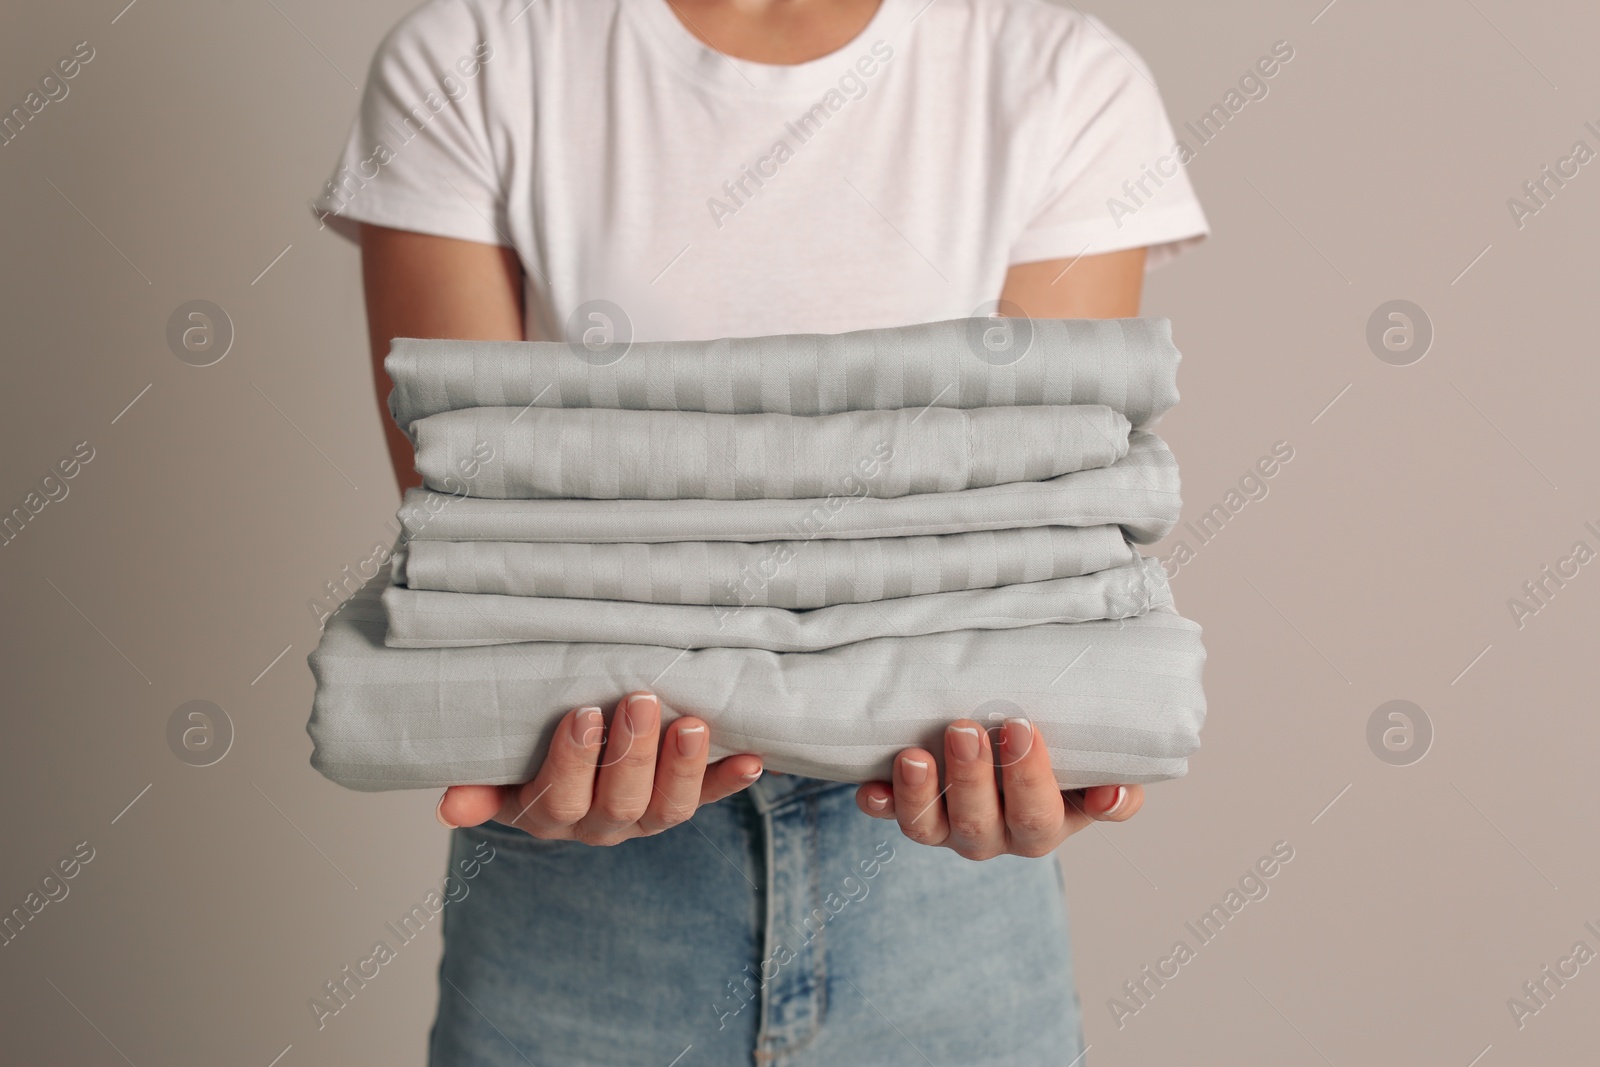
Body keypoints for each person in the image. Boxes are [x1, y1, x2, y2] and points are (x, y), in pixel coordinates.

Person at [312, 0, 1208, 1062]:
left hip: (944, 917)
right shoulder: (476, 54)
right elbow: (472, 515)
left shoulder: (1060, 78)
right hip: (575, 905)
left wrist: (1052, 757)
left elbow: (1054, 504)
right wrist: (507, 731)